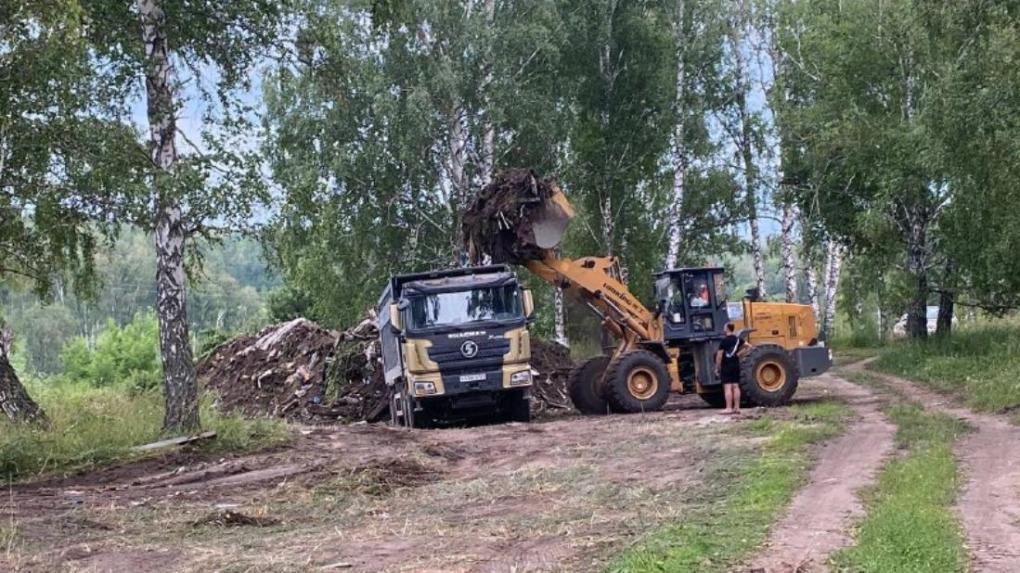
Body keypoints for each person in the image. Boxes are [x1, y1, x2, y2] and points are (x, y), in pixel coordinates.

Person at [715, 323, 752, 414]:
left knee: (727, 387)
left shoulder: (724, 341)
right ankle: (737, 408)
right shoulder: (738, 339)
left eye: (724, 328)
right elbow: (749, 346)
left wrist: (717, 367)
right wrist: (739, 354)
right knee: (735, 386)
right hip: (735, 364)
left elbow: (719, 356)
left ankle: (728, 408)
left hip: (726, 365)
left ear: (727, 329)